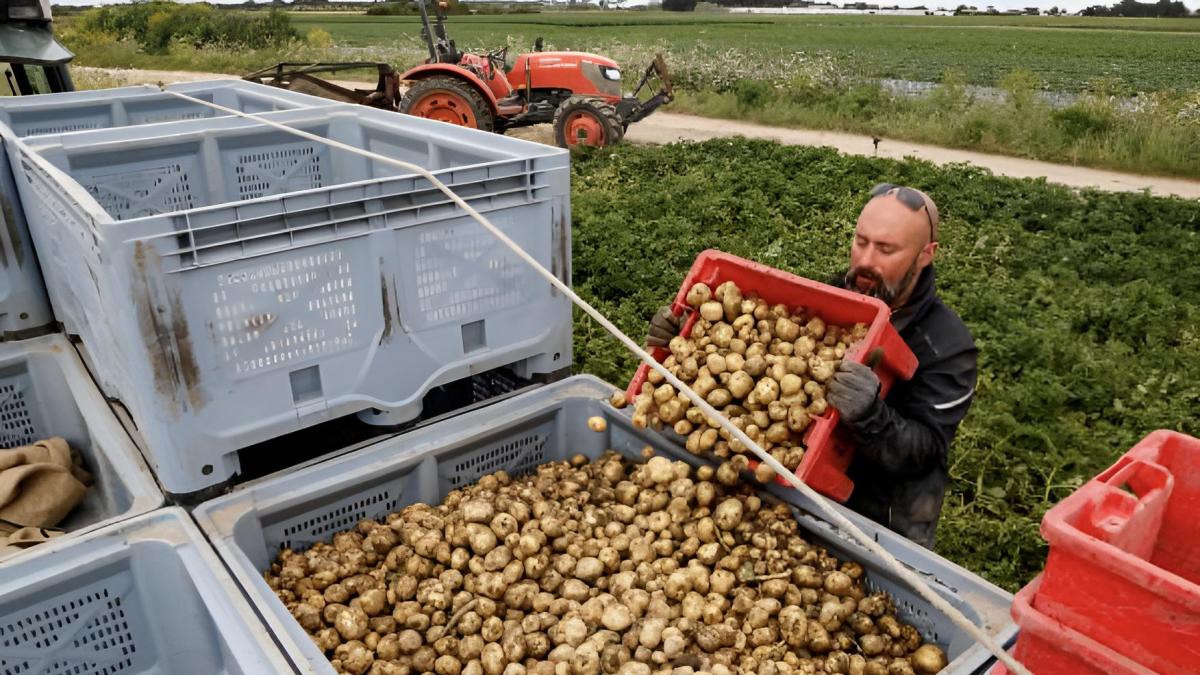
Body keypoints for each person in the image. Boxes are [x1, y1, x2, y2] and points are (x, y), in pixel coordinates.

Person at [646, 184, 977, 549]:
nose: (866, 260)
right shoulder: (841, 295)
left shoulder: (948, 346)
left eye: (886, 249)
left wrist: (871, 415)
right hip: (806, 490)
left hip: (883, 516)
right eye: (861, 241)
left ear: (925, 255)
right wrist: (681, 340)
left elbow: (926, 451)